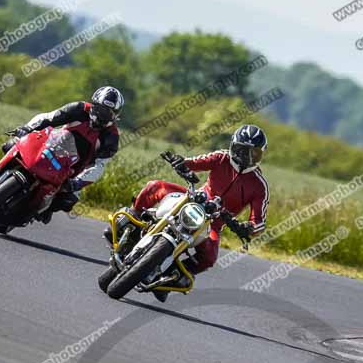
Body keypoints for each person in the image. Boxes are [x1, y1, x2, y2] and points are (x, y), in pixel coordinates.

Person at [115, 125, 270, 302]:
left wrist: (246, 228)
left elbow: (258, 222)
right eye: (242, 150)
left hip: (214, 221)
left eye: (253, 153)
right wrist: (180, 163)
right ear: (233, 146)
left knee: (210, 258)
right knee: (155, 186)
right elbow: (194, 163)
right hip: (194, 198)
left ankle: (173, 274)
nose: (246, 157)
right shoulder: (221, 157)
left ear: (261, 155)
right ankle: (132, 218)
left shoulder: (259, 185)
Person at [5, 86, 124, 223]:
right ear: (93, 104)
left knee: (68, 200)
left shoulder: (111, 138)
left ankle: (43, 210)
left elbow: (99, 166)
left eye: (107, 113)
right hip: (53, 147)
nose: (102, 115)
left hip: (73, 170)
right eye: (100, 109)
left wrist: (77, 182)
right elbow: (48, 118)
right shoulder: (78, 109)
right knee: (12, 144)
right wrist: (27, 128)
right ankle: (0, 169)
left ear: (115, 116)